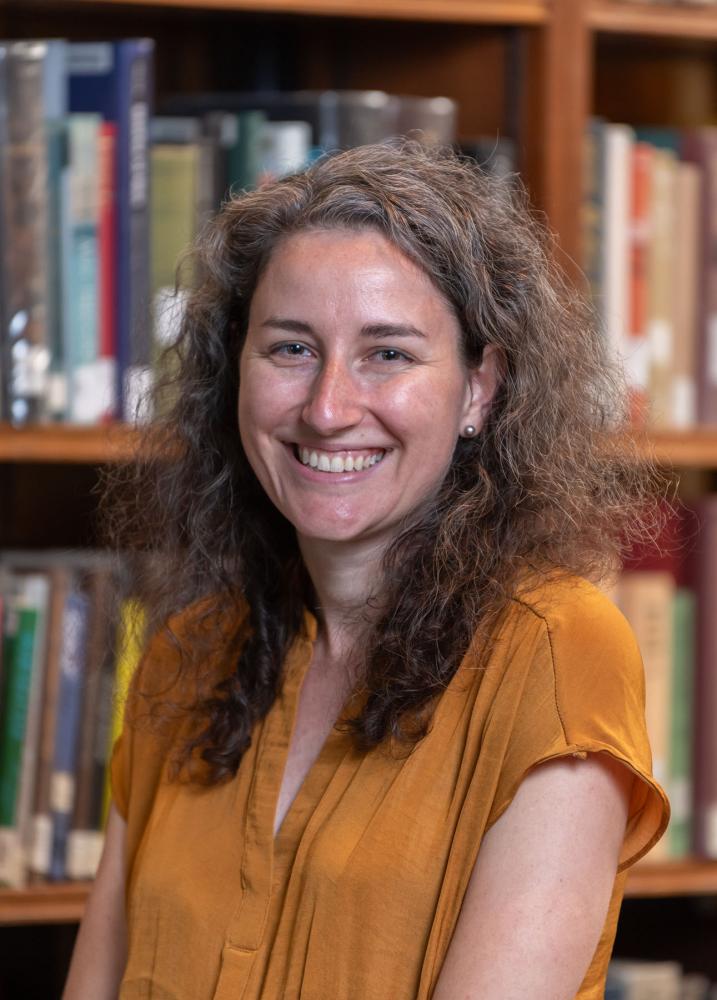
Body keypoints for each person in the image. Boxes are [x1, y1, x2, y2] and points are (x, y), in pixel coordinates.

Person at [63, 140, 671, 1000]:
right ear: (233, 370)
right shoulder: (187, 653)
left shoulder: (556, 652)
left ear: (478, 390)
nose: (327, 408)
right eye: (290, 349)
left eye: (387, 353)